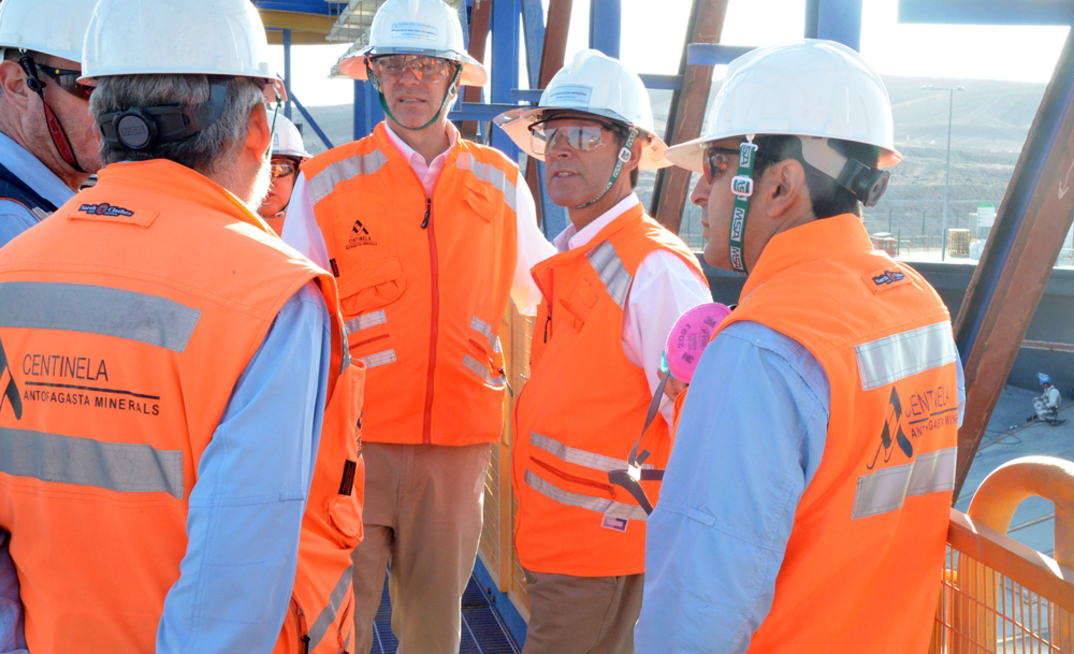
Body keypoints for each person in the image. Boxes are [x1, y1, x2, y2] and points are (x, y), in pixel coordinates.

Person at [0, 0, 365, 652]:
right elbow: (235, 586)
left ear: (105, 116)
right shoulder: (273, 297)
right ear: (257, 129)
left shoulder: (13, 270)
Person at [635, 40, 964, 653]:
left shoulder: (760, 349)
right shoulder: (922, 309)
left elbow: (698, 606)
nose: (700, 192)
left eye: (716, 166)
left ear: (781, 186)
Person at [281, 0, 554, 651]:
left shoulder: (502, 184)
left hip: (457, 453)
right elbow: (290, 321)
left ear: (454, 77)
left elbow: (546, 296)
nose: (411, 80)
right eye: (395, 64)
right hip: (352, 450)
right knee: (332, 627)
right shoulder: (324, 183)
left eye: (428, 65)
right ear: (373, 74)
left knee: (434, 632)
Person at [494, 49, 710, 653]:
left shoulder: (656, 269)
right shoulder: (578, 256)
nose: (561, 149)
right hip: (564, 547)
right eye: (553, 133)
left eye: (585, 134)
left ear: (632, 152)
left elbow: (699, 424)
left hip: (603, 556)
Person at [0, 0, 100, 248]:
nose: (114, 108)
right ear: (18, 86)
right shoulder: (11, 221)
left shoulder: (32, 206)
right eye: (90, 87)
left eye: (124, 89)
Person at [259, 113, 311, 236]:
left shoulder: (321, 237)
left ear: (298, 175)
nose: (266, 179)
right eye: (255, 168)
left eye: (279, 167)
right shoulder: (217, 238)